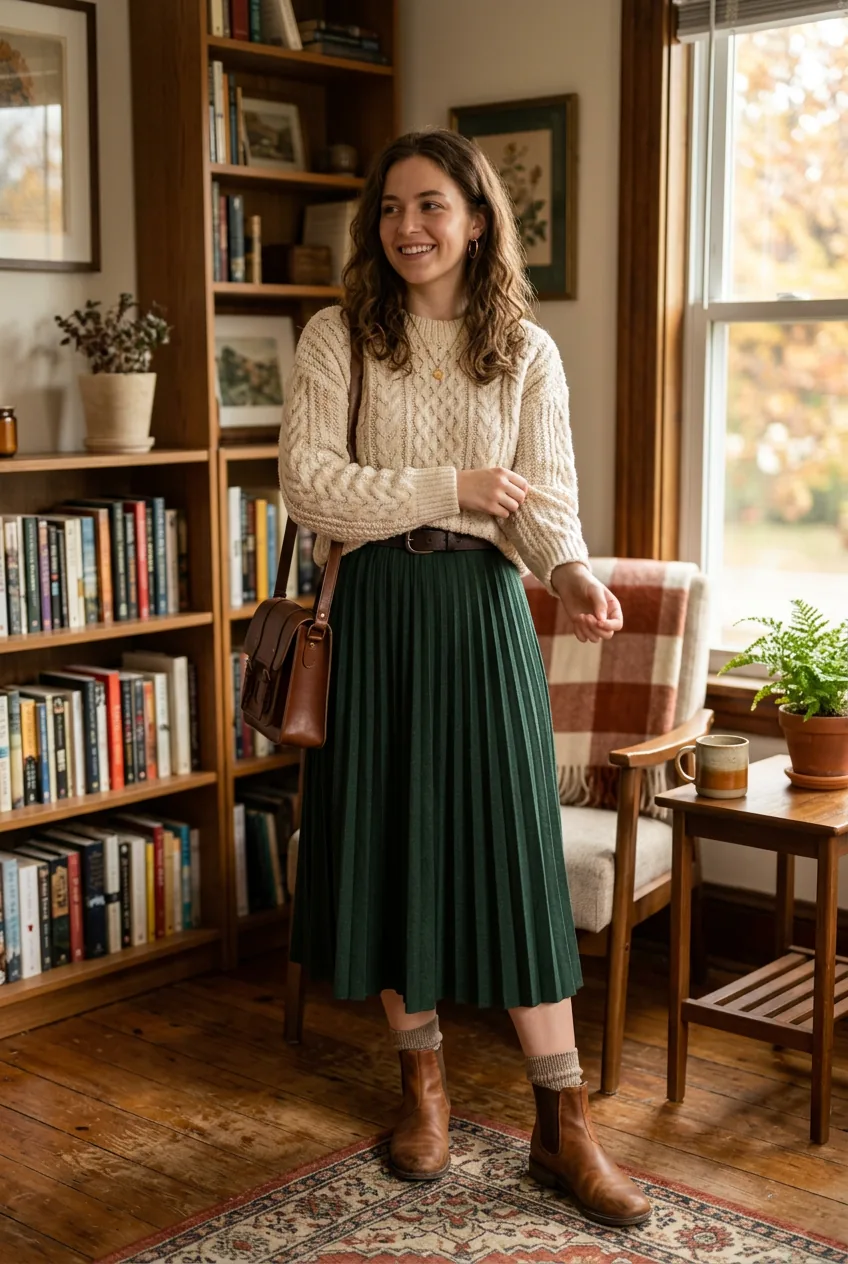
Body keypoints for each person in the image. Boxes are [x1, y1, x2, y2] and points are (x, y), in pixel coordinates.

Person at [278, 128, 650, 1229]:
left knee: (517, 859)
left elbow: (542, 504)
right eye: (391, 207)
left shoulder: (526, 350)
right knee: (394, 843)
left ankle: (562, 1123)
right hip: (378, 616)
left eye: (432, 204)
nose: (408, 226)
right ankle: (421, 1087)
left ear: (476, 217)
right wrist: (458, 486)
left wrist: (571, 571)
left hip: (484, 618)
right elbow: (312, 491)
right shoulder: (336, 335)